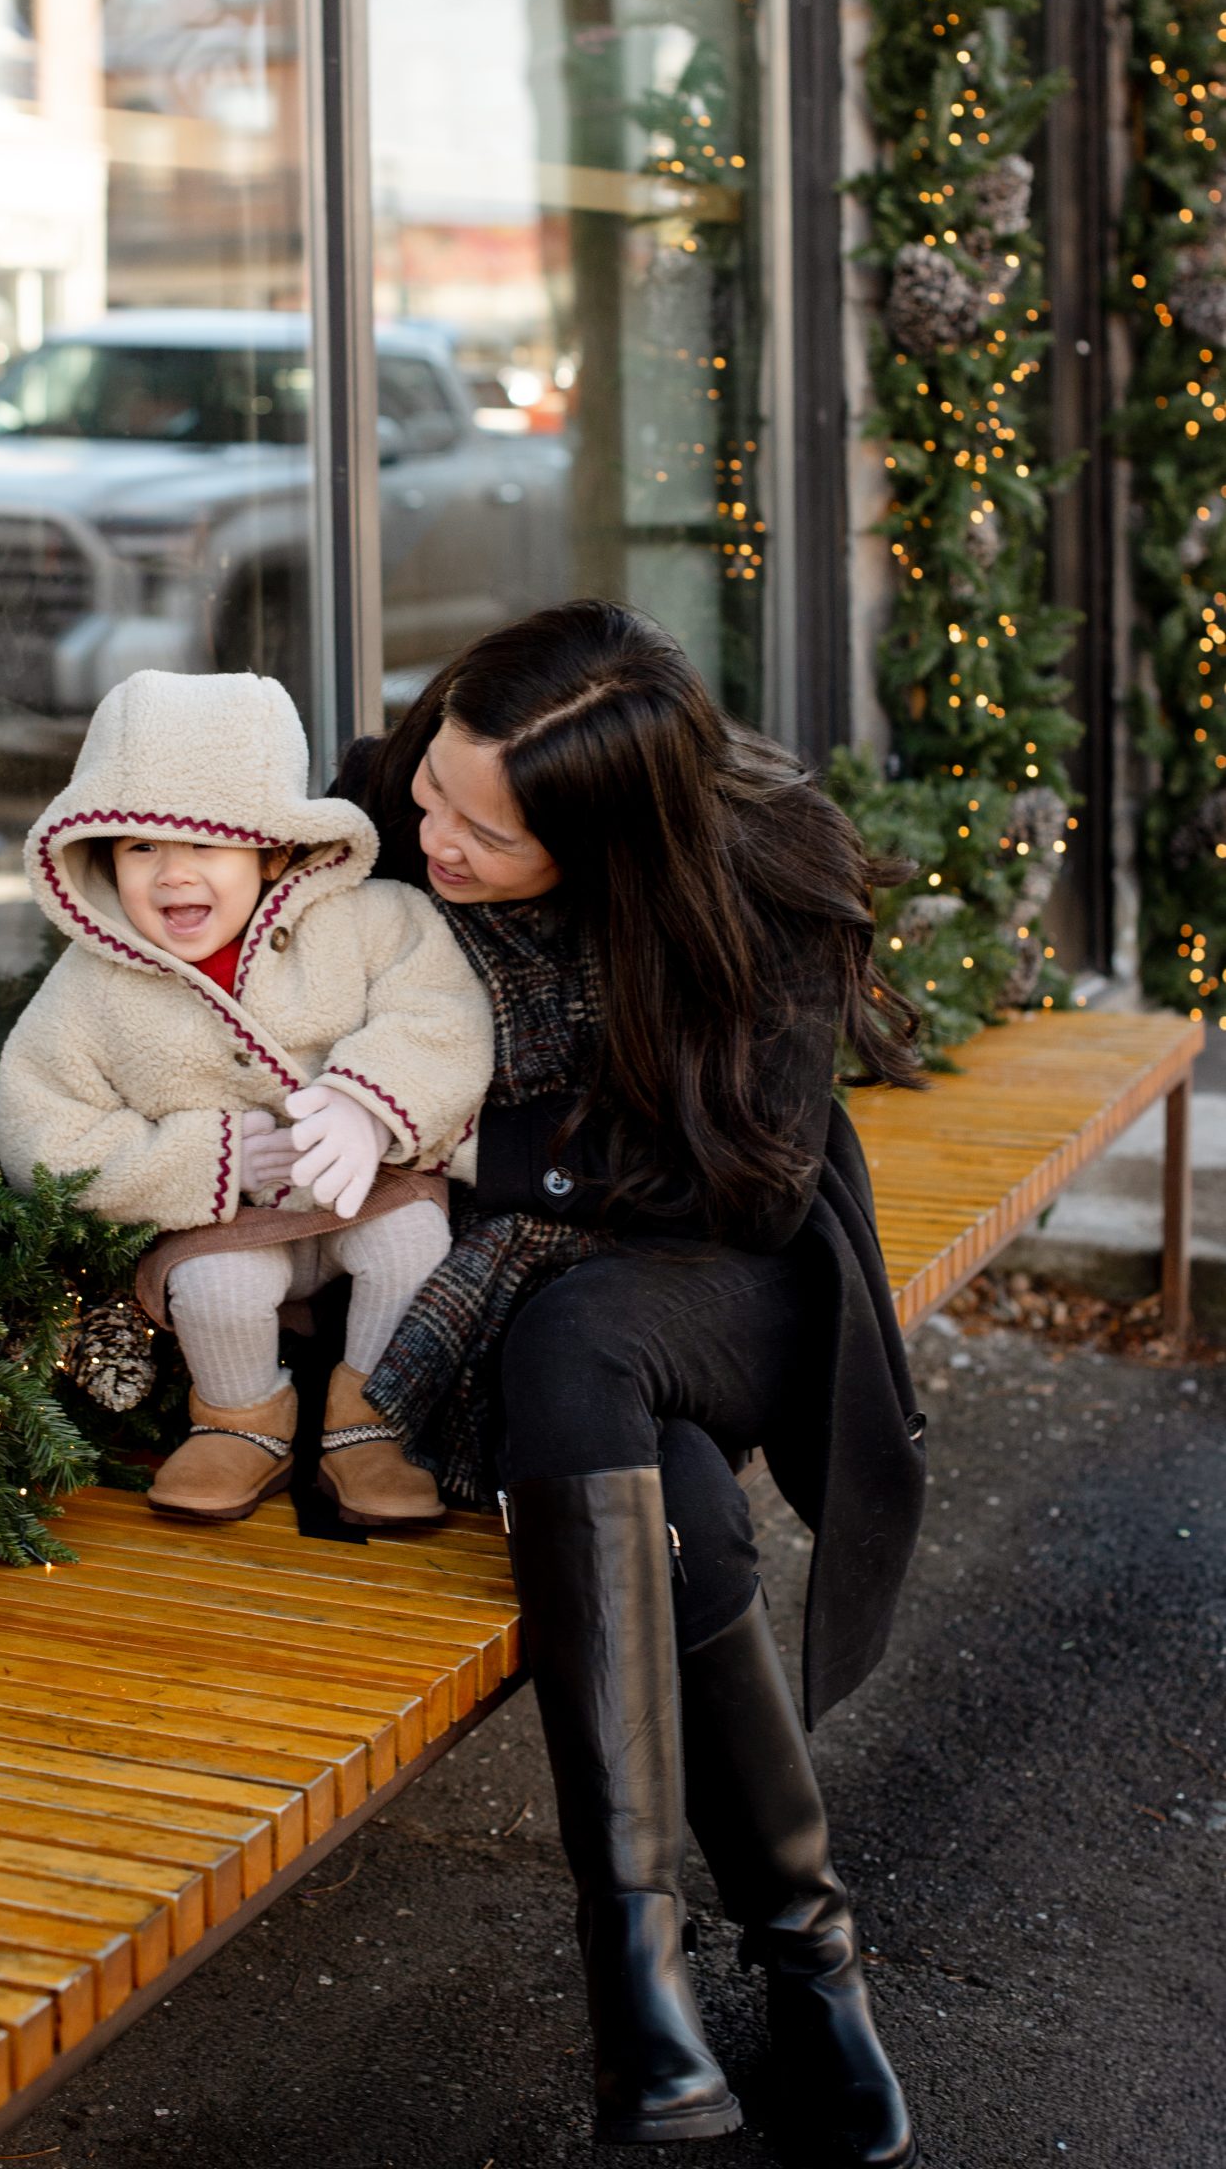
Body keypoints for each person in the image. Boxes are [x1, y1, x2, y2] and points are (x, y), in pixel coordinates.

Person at [337, 601, 926, 2165]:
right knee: (678, 1508)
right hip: (527, 1284)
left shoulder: (769, 873)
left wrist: (457, 1144)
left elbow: (742, 1182)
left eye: (484, 833)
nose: (432, 838)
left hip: (733, 1269)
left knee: (586, 1339)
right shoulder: (399, 800)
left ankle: (640, 1974)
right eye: (432, 794)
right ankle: (805, 1964)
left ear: (608, 849)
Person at [0, 667, 491, 1526]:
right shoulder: (89, 987)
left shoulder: (372, 918)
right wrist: (196, 1158)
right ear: (100, 852)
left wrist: (371, 1106)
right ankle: (240, 1418)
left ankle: (374, 1422)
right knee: (218, 1289)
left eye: (206, 845)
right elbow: (42, 1126)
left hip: (367, 1189)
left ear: (272, 848)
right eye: (140, 846)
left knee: (412, 1241)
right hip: (224, 1220)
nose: (173, 876)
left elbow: (442, 1011)